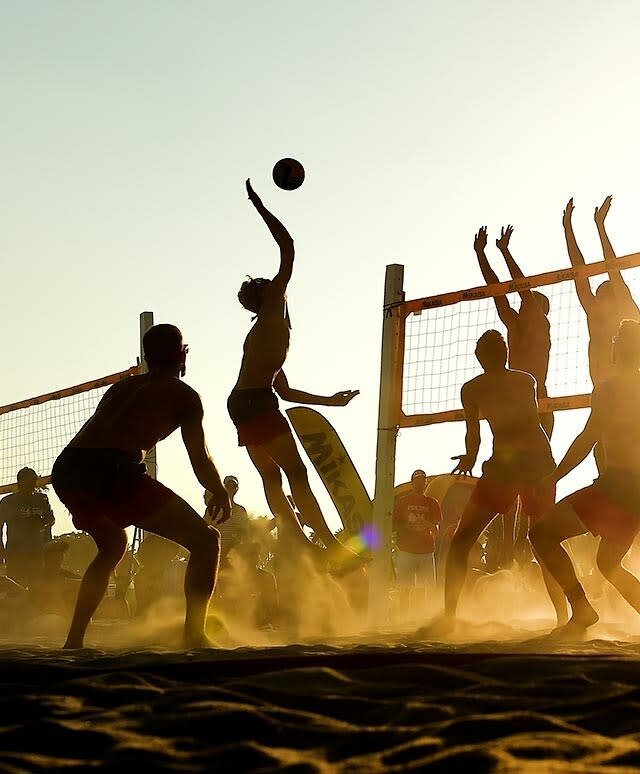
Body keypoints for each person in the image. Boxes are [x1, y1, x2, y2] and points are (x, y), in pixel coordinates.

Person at [52, 324, 230, 649]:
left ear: (147, 358)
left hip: (69, 468)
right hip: (114, 470)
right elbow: (199, 457)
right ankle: (194, 636)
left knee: (112, 546)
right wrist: (218, 490)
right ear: (182, 355)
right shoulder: (184, 396)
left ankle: (74, 641)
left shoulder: (122, 389)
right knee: (206, 541)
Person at [530, 319, 640, 639]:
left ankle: (582, 609)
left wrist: (553, 476)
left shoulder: (609, 387)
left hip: (616, 486)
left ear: (623, 347)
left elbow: (588, 437)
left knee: (541, 535)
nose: (612, 344)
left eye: (616, 338)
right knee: (608, 564)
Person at [231, 179, 361, 569]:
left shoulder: (268, 334)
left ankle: (306, 547)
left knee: (274, 478)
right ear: (268, 294)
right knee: (296, 474)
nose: (280, 284)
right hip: (254, 401)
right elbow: (287, 246)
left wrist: (330, 401)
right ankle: (324, 545)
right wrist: (259, 205)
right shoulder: (271, 316)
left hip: (243, 401)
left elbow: (284, 392)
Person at [438, 330, 558, 629]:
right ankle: (565, 615)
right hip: (536, 462)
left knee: (461, 542)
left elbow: (474, 434)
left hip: (509, 465)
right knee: (545, 542)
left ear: (479, 358)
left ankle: (449, 616)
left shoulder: (473, 388)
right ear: (505, 354)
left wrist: (469, 458)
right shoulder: (525, 379)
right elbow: (534, 421)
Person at [473, 225, 554, 438]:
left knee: (538, 461)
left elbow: (522, 287)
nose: (521, 305)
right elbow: (497, 292)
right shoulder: (514, 324)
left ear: (539, 310)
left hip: (536, 396)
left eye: (528, 303)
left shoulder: (539, 323)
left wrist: (504, 251)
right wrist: (480, 254)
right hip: (516, 398)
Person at [562, 196, 640, 389]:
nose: (597, 300)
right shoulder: (597, 314)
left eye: (601, 296)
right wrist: (568, 228)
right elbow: (579, 272)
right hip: (605, 388)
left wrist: (599, 227)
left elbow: (613, 271)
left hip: (626, 388)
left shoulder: (627, 315)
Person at [392, 469, 442, 609]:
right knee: (404, 588)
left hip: (426, 550)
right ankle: (402, 618)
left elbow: (436, 528)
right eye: (417, 480)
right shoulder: (403, 501)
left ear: (426, 483)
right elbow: (394, 524)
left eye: (423, 481)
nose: (420, 483)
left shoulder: (432, 503)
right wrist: (407, 525)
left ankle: (417, 618)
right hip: (406, 550)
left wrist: (426, 524)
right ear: (412, 483)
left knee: (422, 588)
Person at [0, 467, 55, 586]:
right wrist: (1, 548)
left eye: (33, 481)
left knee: (36, 586)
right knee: (16, 586)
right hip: (15, 551)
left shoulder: (41, 499)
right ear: (20, 482)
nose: (31, 484)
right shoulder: (8, 502)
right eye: (28, 481)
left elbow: (51, 519)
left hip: (36, 550)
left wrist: (37, 518)